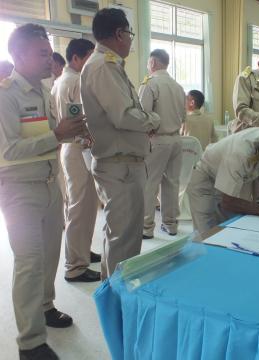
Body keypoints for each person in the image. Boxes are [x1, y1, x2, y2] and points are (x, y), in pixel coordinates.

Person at [0, 23, 87, 360]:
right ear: (19, 54)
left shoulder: (43, 91)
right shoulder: (6, 95)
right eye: (41, 53)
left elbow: (50, 135)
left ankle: (46, 307)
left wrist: (74, 133)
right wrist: (57, 134)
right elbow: (9, 150)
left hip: (51, 185)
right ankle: (30, 342)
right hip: (19, 192)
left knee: (50, 256)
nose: (49, 59)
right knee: (29, 264)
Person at [81, 8, 161, 279]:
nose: (130, 39)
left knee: (121, 237)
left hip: (123, 164)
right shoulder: (104, 66)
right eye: (130, 33)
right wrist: (153, 120)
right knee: (123, 242)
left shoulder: (109, 64)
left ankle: (114, 296)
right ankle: (117, 302)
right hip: (120, 167)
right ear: (119, 34)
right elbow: (124, 115)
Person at [51, 38, 101, 282]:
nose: (93, 61)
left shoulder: (60, 80)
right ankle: (75, 266)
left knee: (82, 205)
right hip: (78, 148)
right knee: (81, 207)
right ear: (76, 58)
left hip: (70, 149)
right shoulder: (76, 81)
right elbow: (82, 120)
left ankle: (81, 251)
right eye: (89, 56)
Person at [139, 49, 186, 237]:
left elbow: (142, 115)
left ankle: (146, 227)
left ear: (152, 63)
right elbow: (183, 116)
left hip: (157, 139)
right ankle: (170, 224)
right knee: (172, 184)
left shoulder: (150, 84)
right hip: (176, 139)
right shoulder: (178, 86)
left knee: (149, 183)